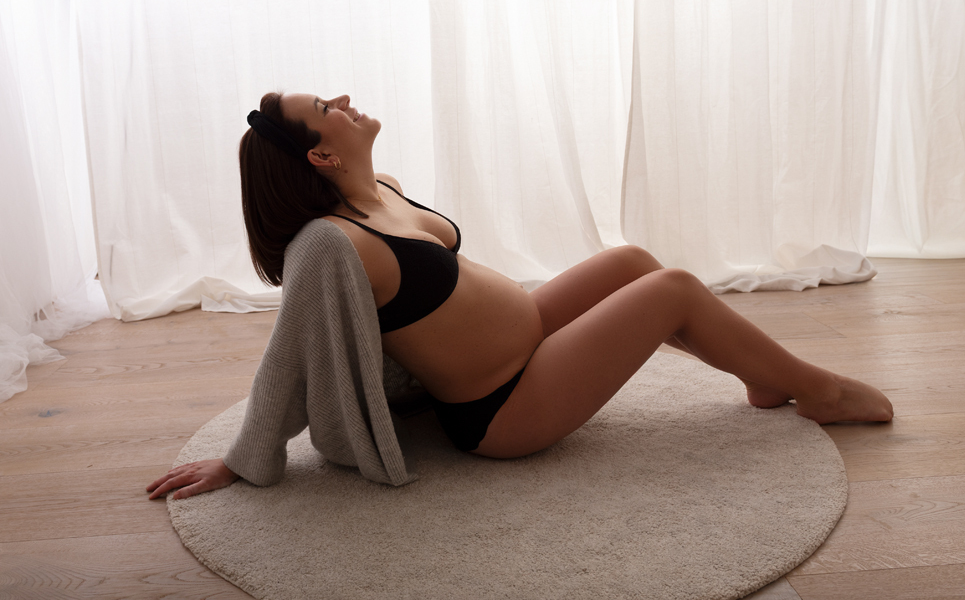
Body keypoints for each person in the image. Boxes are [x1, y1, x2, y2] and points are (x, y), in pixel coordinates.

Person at [147, 92, 893, 501]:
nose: (344, 97)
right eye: (325, 104)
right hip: (503, 404)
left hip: (528, 331)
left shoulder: (384, 190)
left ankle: (759, 376)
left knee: (633, 261)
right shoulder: (331, 244)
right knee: (671, 291)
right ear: (320, 152)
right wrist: (242, 457)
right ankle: (817, 390)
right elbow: (294, 352)